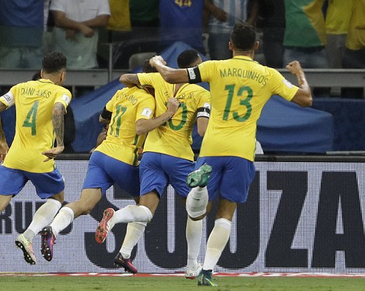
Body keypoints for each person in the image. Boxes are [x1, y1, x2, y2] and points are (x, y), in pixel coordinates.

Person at [149, 22, 313, 286]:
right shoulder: (268, 75)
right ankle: (208, 271)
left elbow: (170, 75)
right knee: (226, 212)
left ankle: (200, 190)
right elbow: (306, 99)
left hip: (212, 146)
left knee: (198, 212)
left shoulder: (215, 67)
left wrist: (158, 62)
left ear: (230, 45)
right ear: (256, 47)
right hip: (241, 150)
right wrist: (299, 72)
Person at [38, 60, 177, 273]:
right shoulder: (148, 99)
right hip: (122, 158)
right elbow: (140, 127)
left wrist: (113, 129)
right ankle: (124, 252)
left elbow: (104, 117)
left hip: (101, 154)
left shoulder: (121, 93)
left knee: (84, 204)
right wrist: (167, 114)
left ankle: (53, 229)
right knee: (145, 207)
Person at [94, 50, 210, 277]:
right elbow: (203, 129)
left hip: (151, 154)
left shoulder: (159, 79)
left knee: (145, 210)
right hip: (178, 156)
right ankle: (192, 265)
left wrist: (154, 66)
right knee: (198, 210)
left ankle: (117, 225)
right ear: (195, 68)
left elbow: (125, 79)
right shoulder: (201, 93)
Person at [0, 52, 71, 278]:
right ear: (62, 75)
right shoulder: (61, 91)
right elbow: (58, 110)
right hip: (40, 157)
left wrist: (1, 140)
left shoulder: (20, 88)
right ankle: (27, 236)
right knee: (58, 199)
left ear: (41, 73)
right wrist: (59, 144)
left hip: (14, 157)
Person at [49, 0, 110, 69]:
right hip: (59, 60)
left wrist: (76, 27)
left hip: (88, 60)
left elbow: (103, 20)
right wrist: (81, 27)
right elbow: (59, 19)